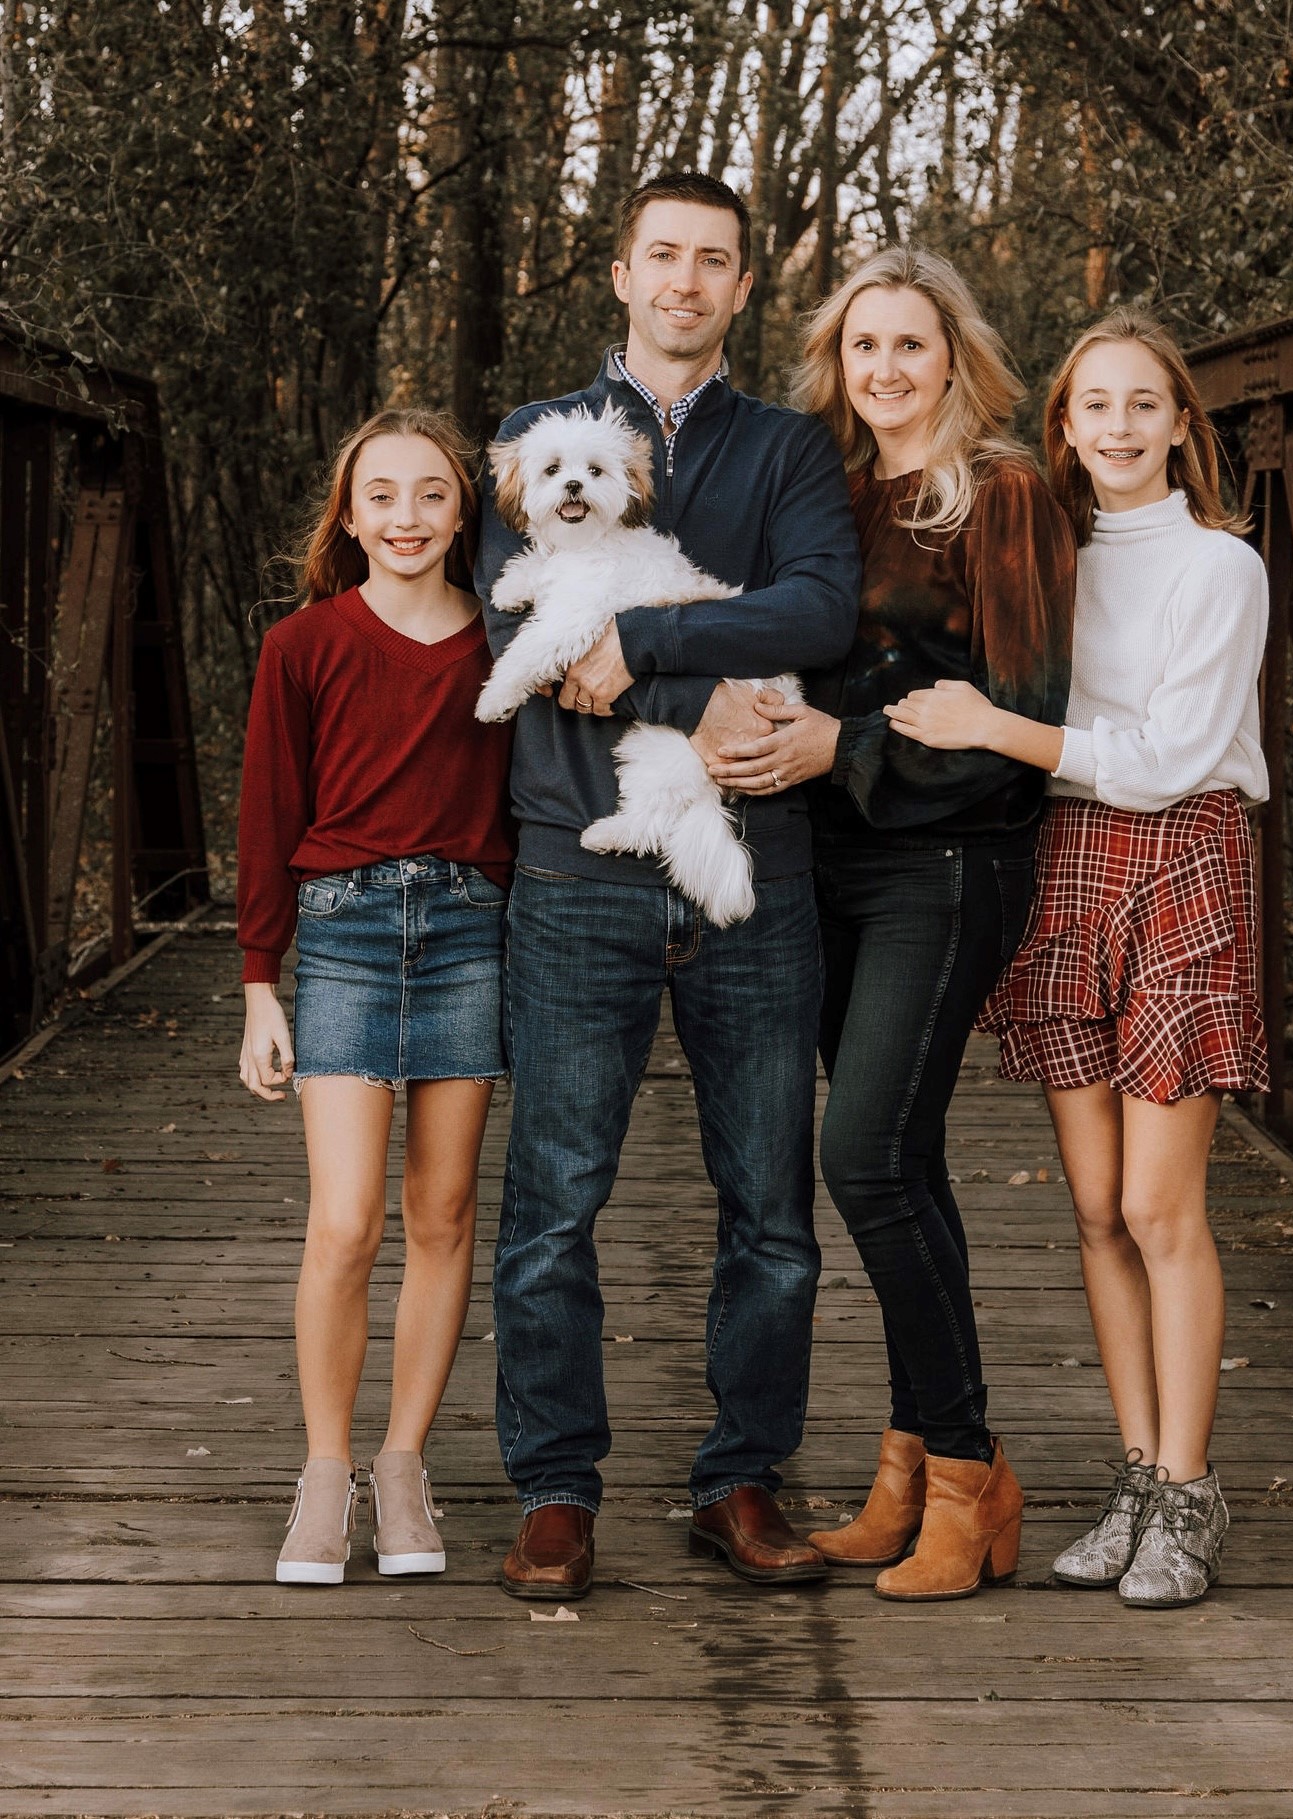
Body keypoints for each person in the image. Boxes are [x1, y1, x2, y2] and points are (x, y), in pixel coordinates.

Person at [477, 170, 861, 1600]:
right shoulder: (537, 439)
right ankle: (558, 1486)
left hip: (753, 854)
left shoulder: (791, 448)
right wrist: (692, 671)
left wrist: (640, 646)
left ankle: (740, 1478)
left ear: (744, 287)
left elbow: (820, 604)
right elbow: (510, 621)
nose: (687, 281)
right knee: (555, 1195)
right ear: (622, 274)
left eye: (715, 261)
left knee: (768, 1196)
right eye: (664, 256)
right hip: (579, 865)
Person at [886, 308, 1269, 1608]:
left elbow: (1165, 759)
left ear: (1178, 423)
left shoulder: (1222, 566)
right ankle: (1134, 1469)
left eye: (1140, 404)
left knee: (1164, 1208)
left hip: (1181, 862)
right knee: (1098, 1207)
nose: (1114, 425)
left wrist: (997, 727)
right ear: (1063, 425)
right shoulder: (1044, 547)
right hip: (1066, 864)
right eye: (1090, 405)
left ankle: (1188, 1489)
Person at [708, 246, 1075, 1601]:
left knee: (859, 1151)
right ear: (837, 362)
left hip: (951, 855)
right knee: (901, 1159)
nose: (886, 369)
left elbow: (1020, 722)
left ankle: (972, 1472)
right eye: (865, 346)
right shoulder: (830, 493)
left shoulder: (1011, 492)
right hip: (828, 866)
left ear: (955, 355)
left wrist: (839, 748)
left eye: (911, 344)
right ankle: (913, 1459)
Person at [237, 409, 515, 1585]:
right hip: (344, 934)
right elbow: (265, 817)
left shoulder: (509, 643)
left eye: (431, 495)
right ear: (349, 517)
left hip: (470, 933)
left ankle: (402, 1464)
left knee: (442, 1214)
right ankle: (323, 1470)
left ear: (463, 511)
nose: (406, 518)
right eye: (383, 497)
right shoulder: (303, 645)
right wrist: (260, 982)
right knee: (345, 1221)